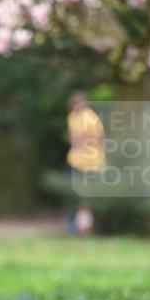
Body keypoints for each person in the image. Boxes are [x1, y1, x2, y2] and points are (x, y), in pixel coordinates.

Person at [65, 90, 105, 234]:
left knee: (86, 199)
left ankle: (86, 228)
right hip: (74, 161)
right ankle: (74, 227)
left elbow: (97, 137)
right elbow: (72, 137)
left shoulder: (90, 117)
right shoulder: (72, 117)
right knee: (74, 196)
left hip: (90, 163)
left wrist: (81, 140)